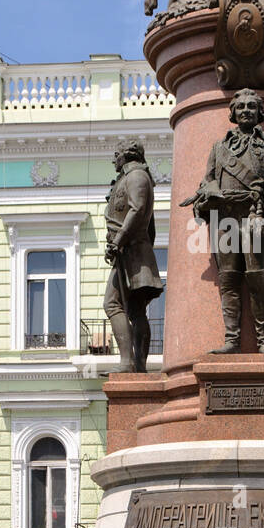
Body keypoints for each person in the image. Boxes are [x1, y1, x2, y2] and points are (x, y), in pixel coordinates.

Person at [189, 89, 264, 353]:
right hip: (224, 217)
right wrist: (208, 193)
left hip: (254, 215)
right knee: (228, 279)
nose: (246, 110)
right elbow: (208, 179)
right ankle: (232, 341)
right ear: (233, 113)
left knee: (258, 278)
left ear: (260, 112)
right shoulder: (219, 147)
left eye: (251, 106)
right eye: (240, 106)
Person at [103, 140, 164, 372]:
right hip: (129, 251)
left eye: (116, 154)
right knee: (135, 310)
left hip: (132, 251)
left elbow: (138, 211)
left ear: (127, 154)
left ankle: (129, 363)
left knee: (112, 303)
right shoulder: (130, 177)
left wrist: (119, 240)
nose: (114, 159)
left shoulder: (137, 176)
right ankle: (136, 365)